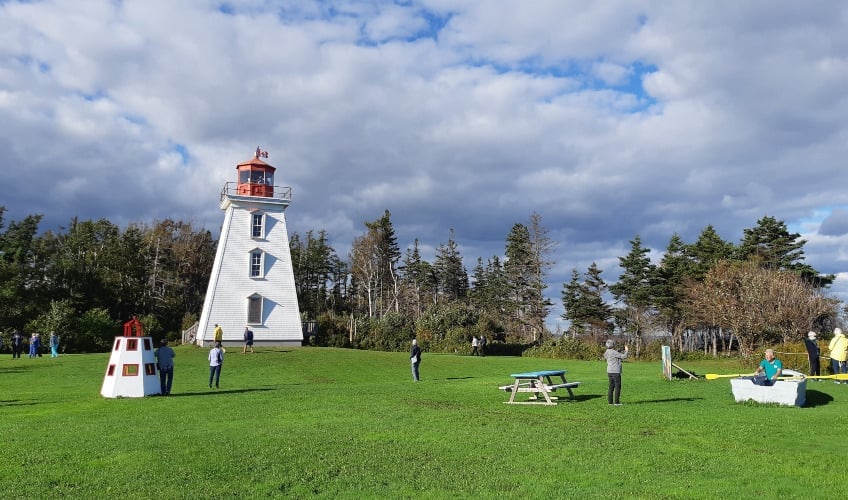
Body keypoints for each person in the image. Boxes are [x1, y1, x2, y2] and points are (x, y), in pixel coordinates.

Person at [604, 339, 629, 405]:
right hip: (616, 372)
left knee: (611, 386)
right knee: (617, 386)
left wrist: (618, 350)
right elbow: (624, 356)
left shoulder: (606, 352)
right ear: (613, 345)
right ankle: (617, 402)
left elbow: (612, 354)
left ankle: (610, 402)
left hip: (609, 371)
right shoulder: (614, 352)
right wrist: (626, 350)